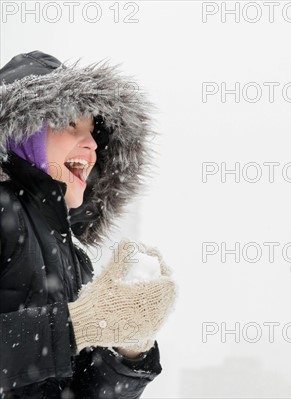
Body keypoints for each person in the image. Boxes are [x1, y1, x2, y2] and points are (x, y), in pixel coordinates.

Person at [0, 51, 176, 398]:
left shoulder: (72, 256)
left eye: (93, 130)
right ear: (25, 133)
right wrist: (78, 324)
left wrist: (129, 348)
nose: (93, 144)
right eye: (71, 124)